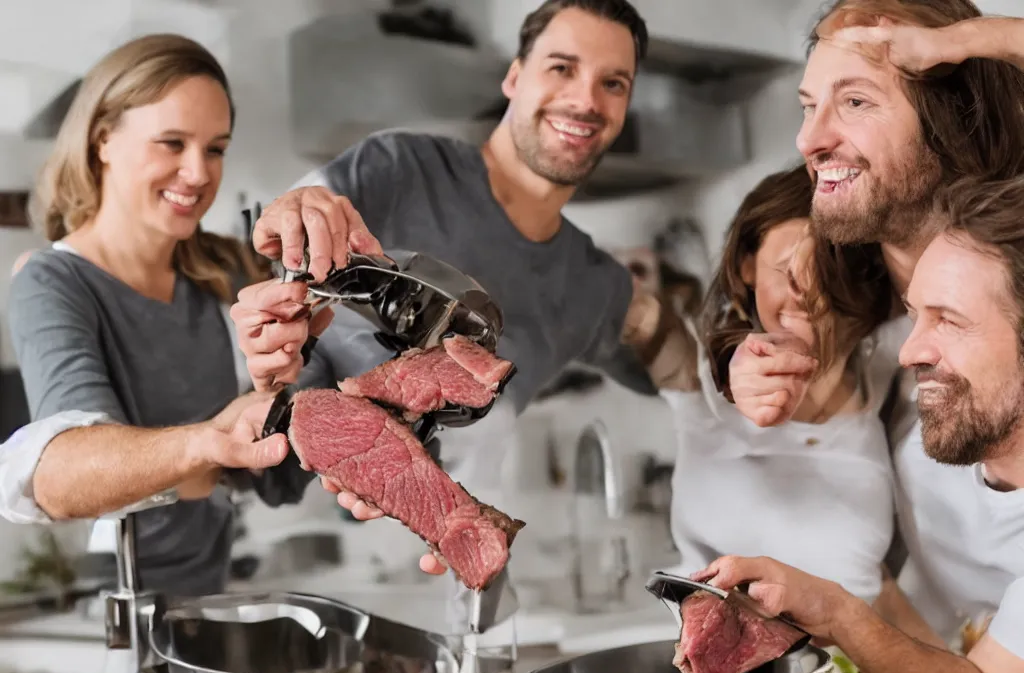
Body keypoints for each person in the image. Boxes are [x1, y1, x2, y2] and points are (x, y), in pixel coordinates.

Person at [227, 0, 694, 573]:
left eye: (613, 83)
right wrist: (297, 211)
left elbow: (679, 366)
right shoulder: (398, 168)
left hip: (455, 556)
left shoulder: (592, 284)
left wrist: (720, 367)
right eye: (562, 67)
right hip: (312, 529)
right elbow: (284, 232)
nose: (586, 99)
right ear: (515, 77)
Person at [726, 0, 1024, 646]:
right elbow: (735, 299)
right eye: (809, 106)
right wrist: (741, 360)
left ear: (953, 117)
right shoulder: (848, 290)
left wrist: (970, 40)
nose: (810, 140)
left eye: (855, 102)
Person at [696, 175, 1024, 673]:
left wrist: (838, 610)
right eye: (914, 314)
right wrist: (738, 362)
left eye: (946, 319)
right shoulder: (933, 396)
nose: (910, 350)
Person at [5, 34, 307, 595]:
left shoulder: (222, 271)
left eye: (215, 149)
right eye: (172, 143)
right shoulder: (52, 281)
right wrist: (209, 442)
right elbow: (68, 470)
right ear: (103, 141)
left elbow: (270, 459)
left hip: (209, 586)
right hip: (107, 599)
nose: (198, 173)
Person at [659, 165, 897, 600]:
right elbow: (638, 323)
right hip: (722, 655)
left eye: (829, 274)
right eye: (788, 271)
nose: (810, 296)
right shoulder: (697, 374)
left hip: (847, 656)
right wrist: (731, 361)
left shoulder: (875, 368)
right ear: (747, 264)